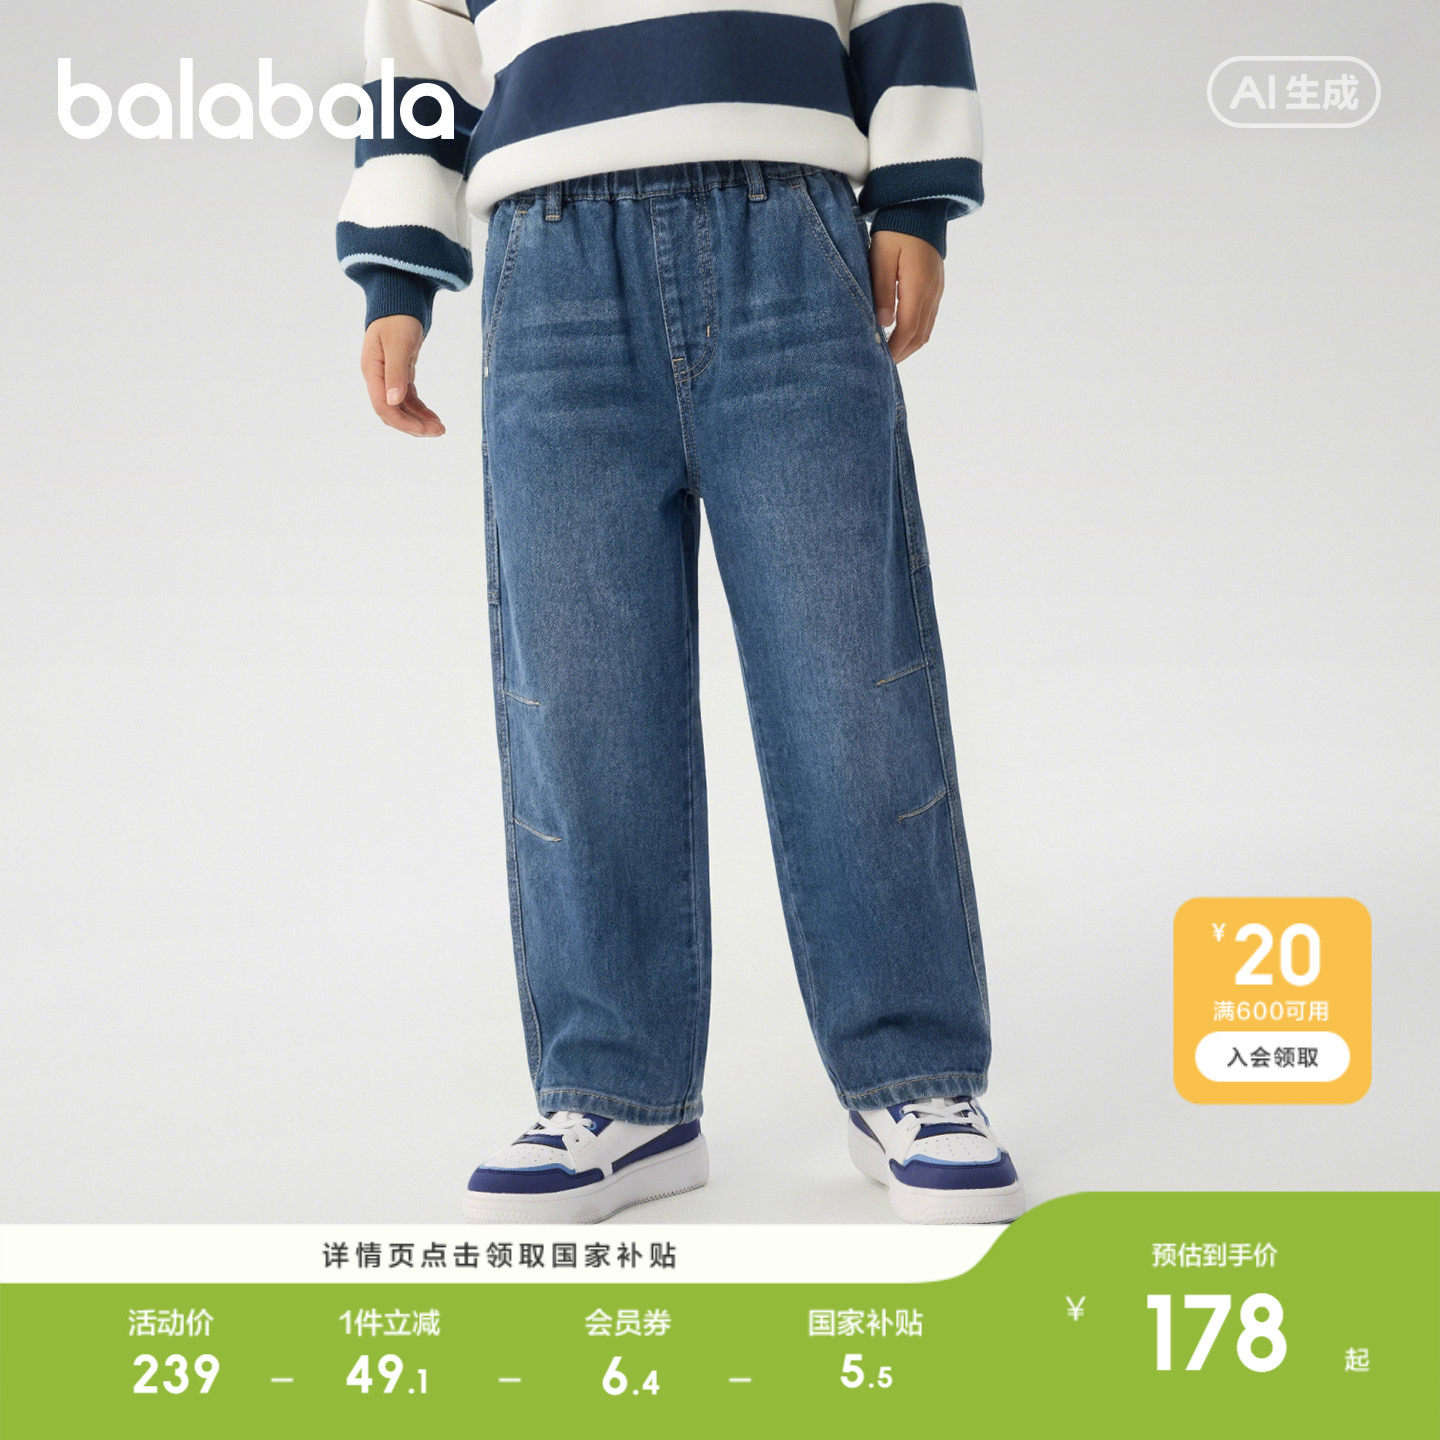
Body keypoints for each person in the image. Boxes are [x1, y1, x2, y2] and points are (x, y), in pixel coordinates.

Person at [337, 0, 1025, 1225]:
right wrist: (397, 271)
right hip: (549, 261)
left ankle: (915, 1077)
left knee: (853, 683)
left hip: (789, 227)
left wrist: (916, 200)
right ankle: (618, 1092)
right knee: (579, 702)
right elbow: (418, 42)